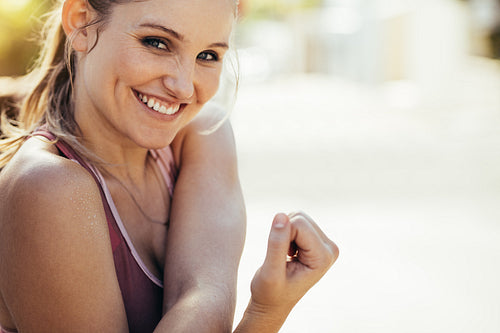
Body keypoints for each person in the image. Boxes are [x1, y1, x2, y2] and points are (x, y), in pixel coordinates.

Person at [0, 0, 339, 332]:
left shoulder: (202, 136)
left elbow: (204, 297)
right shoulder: (46, 187)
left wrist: (263, 309)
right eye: (157, 42)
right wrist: (265, 314)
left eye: (208, 55)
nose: (183, 86)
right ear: (81, 21)